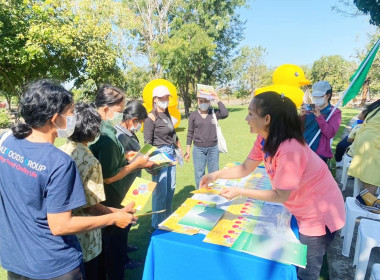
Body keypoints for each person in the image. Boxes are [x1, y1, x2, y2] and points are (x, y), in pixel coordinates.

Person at [200, 91, 345, 280]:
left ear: (267, 118)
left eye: (251, 113)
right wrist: (216, 175)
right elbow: (245, 168)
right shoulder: (263, 138)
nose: (246, 118)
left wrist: (241, 192)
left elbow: (281, 195)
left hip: (319, 215)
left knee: (307, 271)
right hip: (303, 209)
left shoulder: (290, 148)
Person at [0, 80, 136, 280]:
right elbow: (60, 225)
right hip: (53, 265)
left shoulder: (7, 142)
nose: (74, 117)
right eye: (71, 111)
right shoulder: (59, 162)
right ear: (55, 119)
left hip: (16, 260)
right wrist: (113, 218)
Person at [60, 102, 137, 280]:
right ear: (94, 131)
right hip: (87, 236)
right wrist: (119, 213)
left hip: (69, 235)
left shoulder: (63, 150)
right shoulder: (90, 161)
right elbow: (92, 206)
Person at [90, 85, 149, 279]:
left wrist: (124, 156)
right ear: (106, 109)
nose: (121, 116)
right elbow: (108, 175)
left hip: (101, 197)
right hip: (111, 198)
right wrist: (135, 164)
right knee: (113, 249)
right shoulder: (106, 135)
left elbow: (106, 160)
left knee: (105, 246)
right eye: (119, 111)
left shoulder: (98, 128)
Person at [143, 85, 183, 230]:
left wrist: (179, 147)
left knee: (170, 188)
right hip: (158, 155)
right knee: (160, 192)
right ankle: (156, 224)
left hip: (171, 154)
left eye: (167, 98)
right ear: (155, 99)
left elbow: (173, 133)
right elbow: (147, 142)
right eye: (162, 98)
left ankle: (167, 219)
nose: (165, 100)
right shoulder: (150, 118)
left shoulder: (167, 114)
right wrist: (148, 161)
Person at [185, 91, 229, 188]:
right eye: (201, 101)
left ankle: (212, 195)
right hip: (198, 150)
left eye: (206, 101)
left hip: (213, 149)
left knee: (214, 174)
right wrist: (188, 149)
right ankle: (200, 195)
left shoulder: (214, 113)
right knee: (199, 175)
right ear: (197, 101)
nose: (203, 103)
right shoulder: (193, 115)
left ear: (209, 102)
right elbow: (190, 133)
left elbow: (225, 113)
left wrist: (217, 98)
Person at [300, 81, 341, 163]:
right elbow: (298, 129)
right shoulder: (309, 107)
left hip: (318, 153)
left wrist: (319, 116)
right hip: (302, 148)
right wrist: (301, 116)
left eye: (319, 96)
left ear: (328, 96)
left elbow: (330, 134)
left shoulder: (334, 112)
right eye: (314, 96)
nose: (316, 99)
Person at [348, 99, 380, 195]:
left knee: (367, 176)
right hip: (374, 143)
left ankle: (364, 201)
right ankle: (365, 204)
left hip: (364, 140)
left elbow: (360, 116)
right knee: (371, 179)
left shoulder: (376, 105)